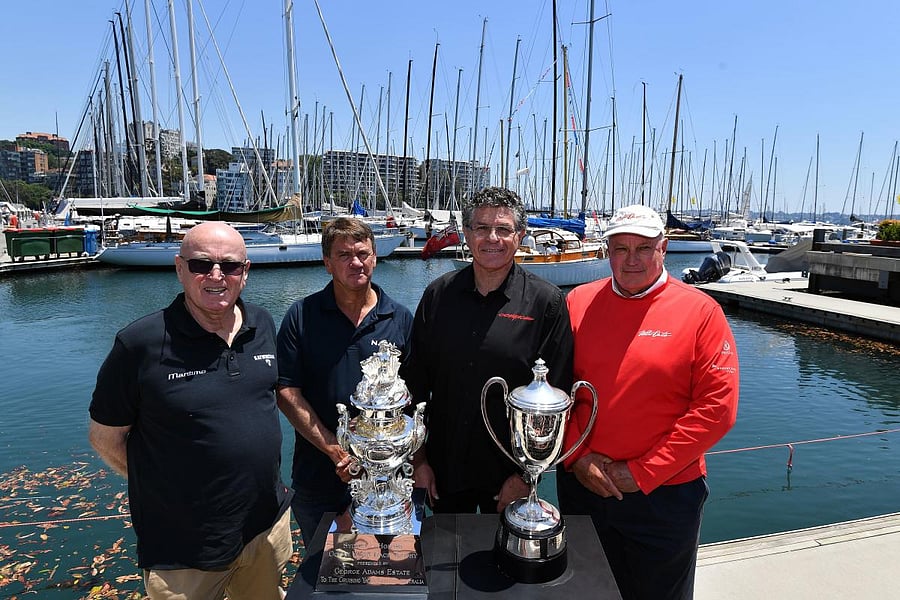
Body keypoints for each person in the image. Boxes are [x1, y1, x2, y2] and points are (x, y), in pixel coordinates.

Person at [88, 222, 293, 600]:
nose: (217, 276)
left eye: (230, 266)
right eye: (202, 265)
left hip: (265, 528)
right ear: (180, 268)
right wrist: (168, 488)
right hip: (184, 549)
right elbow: (105, 437)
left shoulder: (261, 323)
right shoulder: (140, 344)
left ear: (244, 273)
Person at [558, 204, 739, 600]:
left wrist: (640, 472)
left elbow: (716, 410)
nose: (631, 259)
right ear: (607, 252)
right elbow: (558, 390)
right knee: (584, 591)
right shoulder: (576, 303)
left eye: (643, 247)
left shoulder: (702, 312)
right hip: (583, 484)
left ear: (664, 247)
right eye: (620, 249)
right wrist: (578, 457)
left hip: (665, 497)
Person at [401, 186, 574, 514]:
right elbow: (416, 386)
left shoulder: (547, 303)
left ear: (520, 236)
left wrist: (526, 476)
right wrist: (418, 460)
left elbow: (559, 397)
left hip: (510, 474)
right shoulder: (438, 296)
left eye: (503, 229)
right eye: (481, 228)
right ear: (467, 234)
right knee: (445, 562)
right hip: (442, 470)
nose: (492, 238)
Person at [276, 217, 413, 550]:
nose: (356, 262)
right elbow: (286, 391)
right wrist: (335, 451)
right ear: (327, 263)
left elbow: (416, 397)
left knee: (386, 569)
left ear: (375, 257)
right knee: (324, 580)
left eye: (363, 253)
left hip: (389, 482)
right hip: (318, 478)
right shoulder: (301, 316)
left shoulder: (400, 319)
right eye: (344, 255)